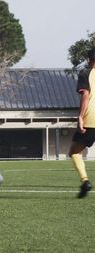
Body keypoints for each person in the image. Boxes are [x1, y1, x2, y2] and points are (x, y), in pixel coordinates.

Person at [69, 48, 95, 198]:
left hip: (91, 119)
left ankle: (85, 181)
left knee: (74, 151)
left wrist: (80, 116)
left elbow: (85, 95)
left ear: (88, 59)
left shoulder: (86, 73)